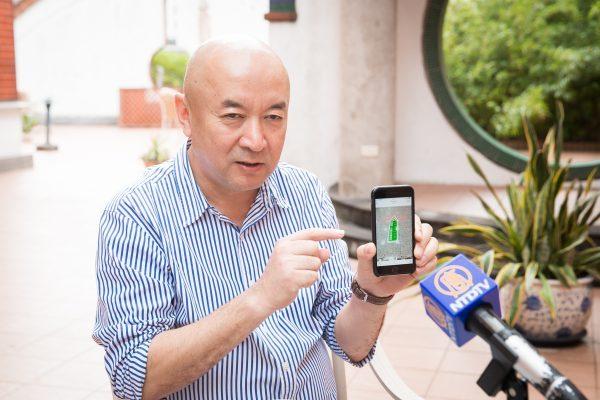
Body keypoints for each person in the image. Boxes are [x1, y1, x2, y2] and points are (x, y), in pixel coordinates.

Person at [93, 36, 439, 400]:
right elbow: (135, 379)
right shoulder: (135, 214)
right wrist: (260, 298)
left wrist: (373, 293)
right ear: (185, 115)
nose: (257, 140)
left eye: (273, 117)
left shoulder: (304, 191)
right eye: (233, 116)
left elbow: (350, 345)